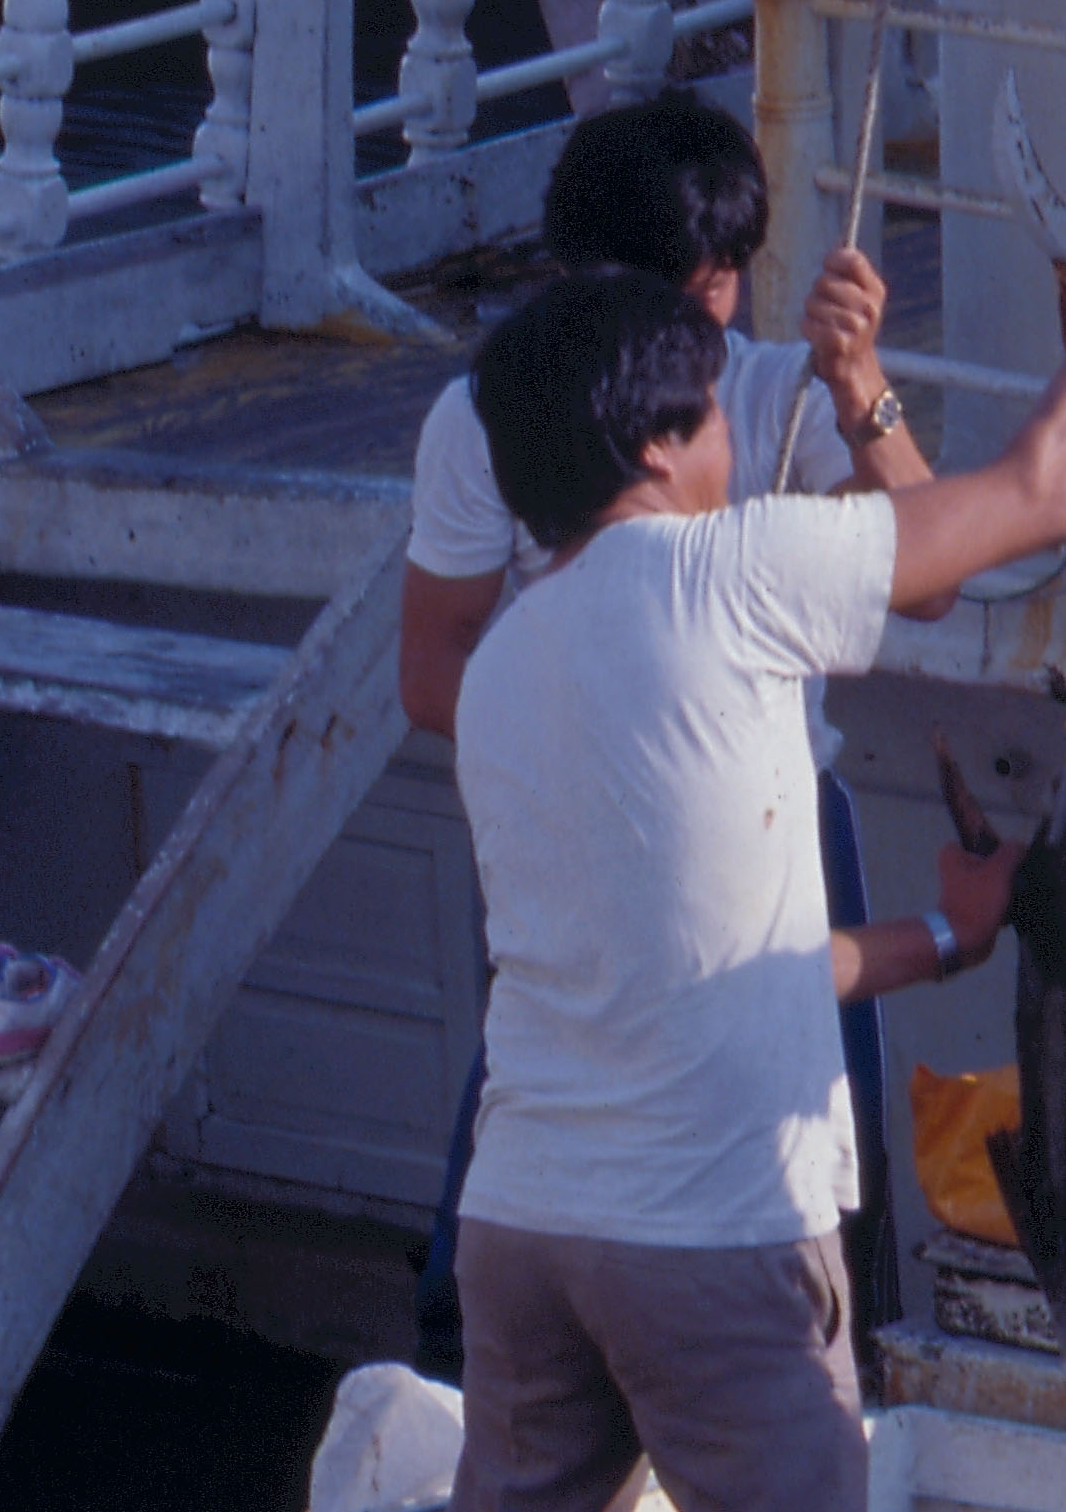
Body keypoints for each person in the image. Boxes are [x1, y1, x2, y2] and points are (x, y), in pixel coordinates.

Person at [399, 187, 1066, 1512]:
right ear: (659, 448)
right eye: (714, 416)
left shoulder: (499, 673)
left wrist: (945, 932)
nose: (731, 445)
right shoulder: (730, 576)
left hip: (527, 1232)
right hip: (715, 1248)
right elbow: (1042, 495)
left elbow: (722, 959)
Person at [397, 90, 934, 1369]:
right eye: (693, 291)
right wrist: (601, 754)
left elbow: (929, 575)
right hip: (573, 836)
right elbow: (431, 666)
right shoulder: (482, 417)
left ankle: (814, 1384)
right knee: (541, 1116)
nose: (720, 319)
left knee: (813, 1176)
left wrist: (861, 384)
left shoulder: (775, 392)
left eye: (730, 281)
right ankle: (473, 1382)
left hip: (781, 819)